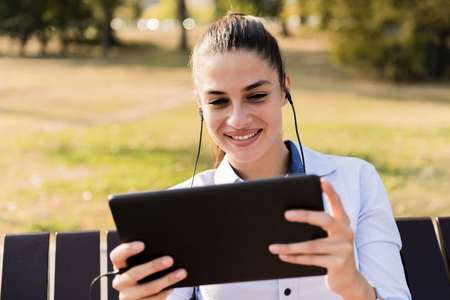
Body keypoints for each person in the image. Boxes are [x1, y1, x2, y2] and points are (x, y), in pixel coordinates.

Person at [110, 13, 411, 300]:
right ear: (200, 105)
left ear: (284, 90)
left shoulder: (356, 180)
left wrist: (354, 287)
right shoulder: (178, 210)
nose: (238, 120)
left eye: (256, 96)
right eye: (218, 101)